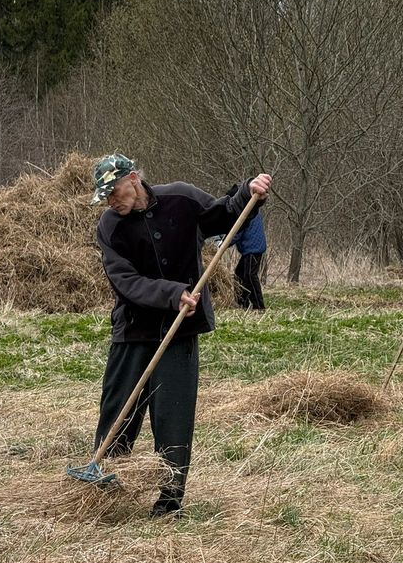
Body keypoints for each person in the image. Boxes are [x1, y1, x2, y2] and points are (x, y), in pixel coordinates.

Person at [90, 153, 272, 516]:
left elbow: (224, 215)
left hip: (180, 332)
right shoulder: (109, 227)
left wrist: (249, 195)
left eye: (115, 192)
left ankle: (170, 499)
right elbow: (125, 281)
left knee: (173, 413)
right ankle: (104, 484)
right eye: (106, 196)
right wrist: (173, 294)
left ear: (134, 179)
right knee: (118, 408)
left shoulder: (181, 198)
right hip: (134, 330)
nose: (111, 201)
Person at [232, 209, 267, 309]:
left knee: (250, 276)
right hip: (252, 247)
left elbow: (237, 233)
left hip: (253, 248)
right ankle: (242, 303)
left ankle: (259, 306)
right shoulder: (250, 208)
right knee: (239, 274)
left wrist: (223, 244)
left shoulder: (245, 211)